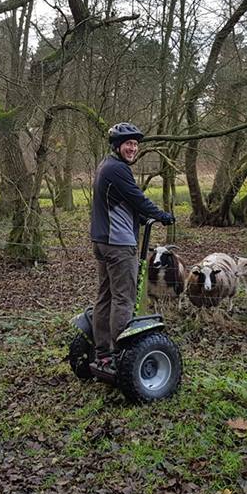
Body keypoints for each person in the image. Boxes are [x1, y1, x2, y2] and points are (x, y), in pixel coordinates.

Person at [90, 122, 174, 369]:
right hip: (118, 244)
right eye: (128, 144)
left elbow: (120, 203)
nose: (133, 148)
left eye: (135, 144)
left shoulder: (106, 166)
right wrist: (161, 215)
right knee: (123, 299)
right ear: (117, 145)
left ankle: (102, 352)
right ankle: (121, 356)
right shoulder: (118, 169)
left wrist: (140, 218)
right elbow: (136, 198)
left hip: (102, 240)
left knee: (105, 296)